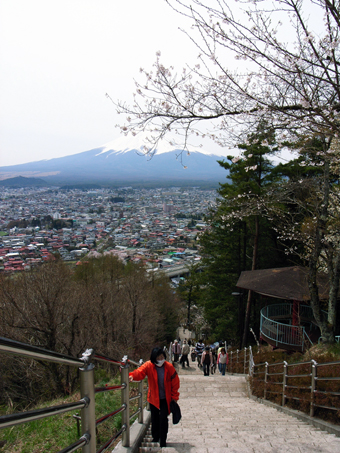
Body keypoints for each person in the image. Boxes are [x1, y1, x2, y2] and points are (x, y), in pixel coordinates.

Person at [129, 347, 180, 448]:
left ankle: (163, 440)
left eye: (162, 357)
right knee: (155, 419)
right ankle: (155, 437)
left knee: (163, 419)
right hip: (153, 397)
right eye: (158, 357)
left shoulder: (168, 367)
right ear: (154, 358)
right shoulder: (149, 365)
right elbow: (140, 372)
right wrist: (132, 376)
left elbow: (175, 382)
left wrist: (175, 396)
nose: (161, 359)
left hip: (166, 398)